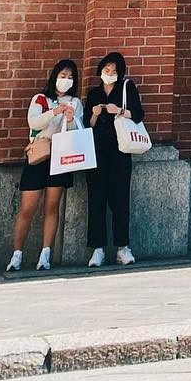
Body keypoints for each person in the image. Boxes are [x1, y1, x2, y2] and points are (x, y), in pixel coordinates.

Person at [6, 58, 82, 274]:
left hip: (61, 155)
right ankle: (17, 254)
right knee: (27, 208)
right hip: (39, 154)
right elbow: (34, 122)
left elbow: (78, 131)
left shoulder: (75, 102)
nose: (66, 80)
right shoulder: (40, 99)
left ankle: (45, 253)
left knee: (52, 206)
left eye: (70, 77)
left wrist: (70, 119)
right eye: (62, 76)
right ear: (54, 77)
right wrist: (54, 112)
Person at [83, 51, 144, 268]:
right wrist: (95, 113)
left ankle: (122, 247)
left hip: (120, 151)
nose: (109, 73)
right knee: (96, 199)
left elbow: (139, 114)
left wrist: (119, 111)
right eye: (106, 70)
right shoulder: (94, 94)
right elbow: (87, 124)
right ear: (101, 70)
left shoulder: (126, 88)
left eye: (114, 71)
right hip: (97, 151)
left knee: (120, 199)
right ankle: (97, 249)